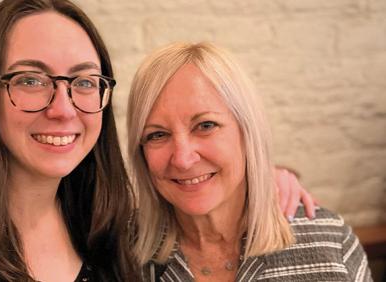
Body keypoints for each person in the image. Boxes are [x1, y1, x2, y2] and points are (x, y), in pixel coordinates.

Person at [0, 1, 314, 281]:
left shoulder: (108, 225)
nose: (63, 107)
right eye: (31, 79)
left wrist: (265, 175)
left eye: (84, 81)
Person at [127, 42, 372, 281]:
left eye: (205, 125)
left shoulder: (330, 242)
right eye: (157, 134)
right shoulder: (118, 252)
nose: (182, 159)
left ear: (248, 132)